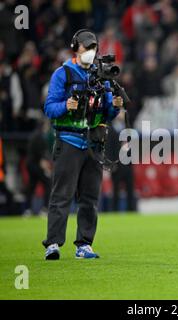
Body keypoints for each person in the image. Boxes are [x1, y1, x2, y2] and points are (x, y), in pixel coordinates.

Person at [42, 29, 123, 260]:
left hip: (94, 143)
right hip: (68, 140)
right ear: (75, 48)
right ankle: (53, 244)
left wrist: (115, 105)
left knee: (89, 198)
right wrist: (65, 106)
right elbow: (49, 108)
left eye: (93, 48)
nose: (90, 52)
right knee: (62, 196)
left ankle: (84, 244)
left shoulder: (101, 75)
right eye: (86, 47)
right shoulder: (63, 74)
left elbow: (107, 112)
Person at [23, 119, 52, 217]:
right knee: (48, 183)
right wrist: (46, 169)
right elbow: (40, 156)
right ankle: (44, 209)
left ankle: (27, 210)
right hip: (36, 165)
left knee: (31, 186)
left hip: (30, 165)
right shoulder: (40, 136)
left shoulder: (33, 135)